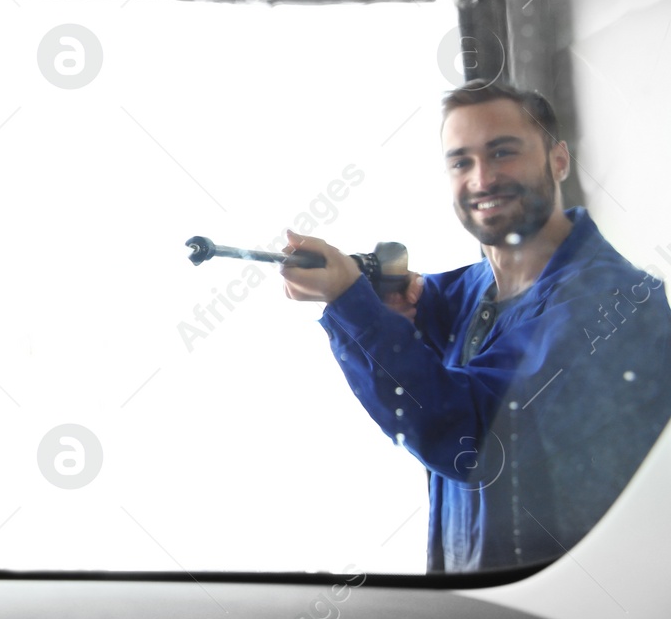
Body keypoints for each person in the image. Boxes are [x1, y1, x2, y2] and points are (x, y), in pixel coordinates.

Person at [280, 81, 671, 572]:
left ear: (559, 160)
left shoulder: (615, 305)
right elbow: (432, 321)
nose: (482, 179)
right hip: (480, 614)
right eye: (461, 162)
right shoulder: (466, 295)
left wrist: (351, 304)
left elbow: (472, 436)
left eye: (503, 152)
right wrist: (380, 297)